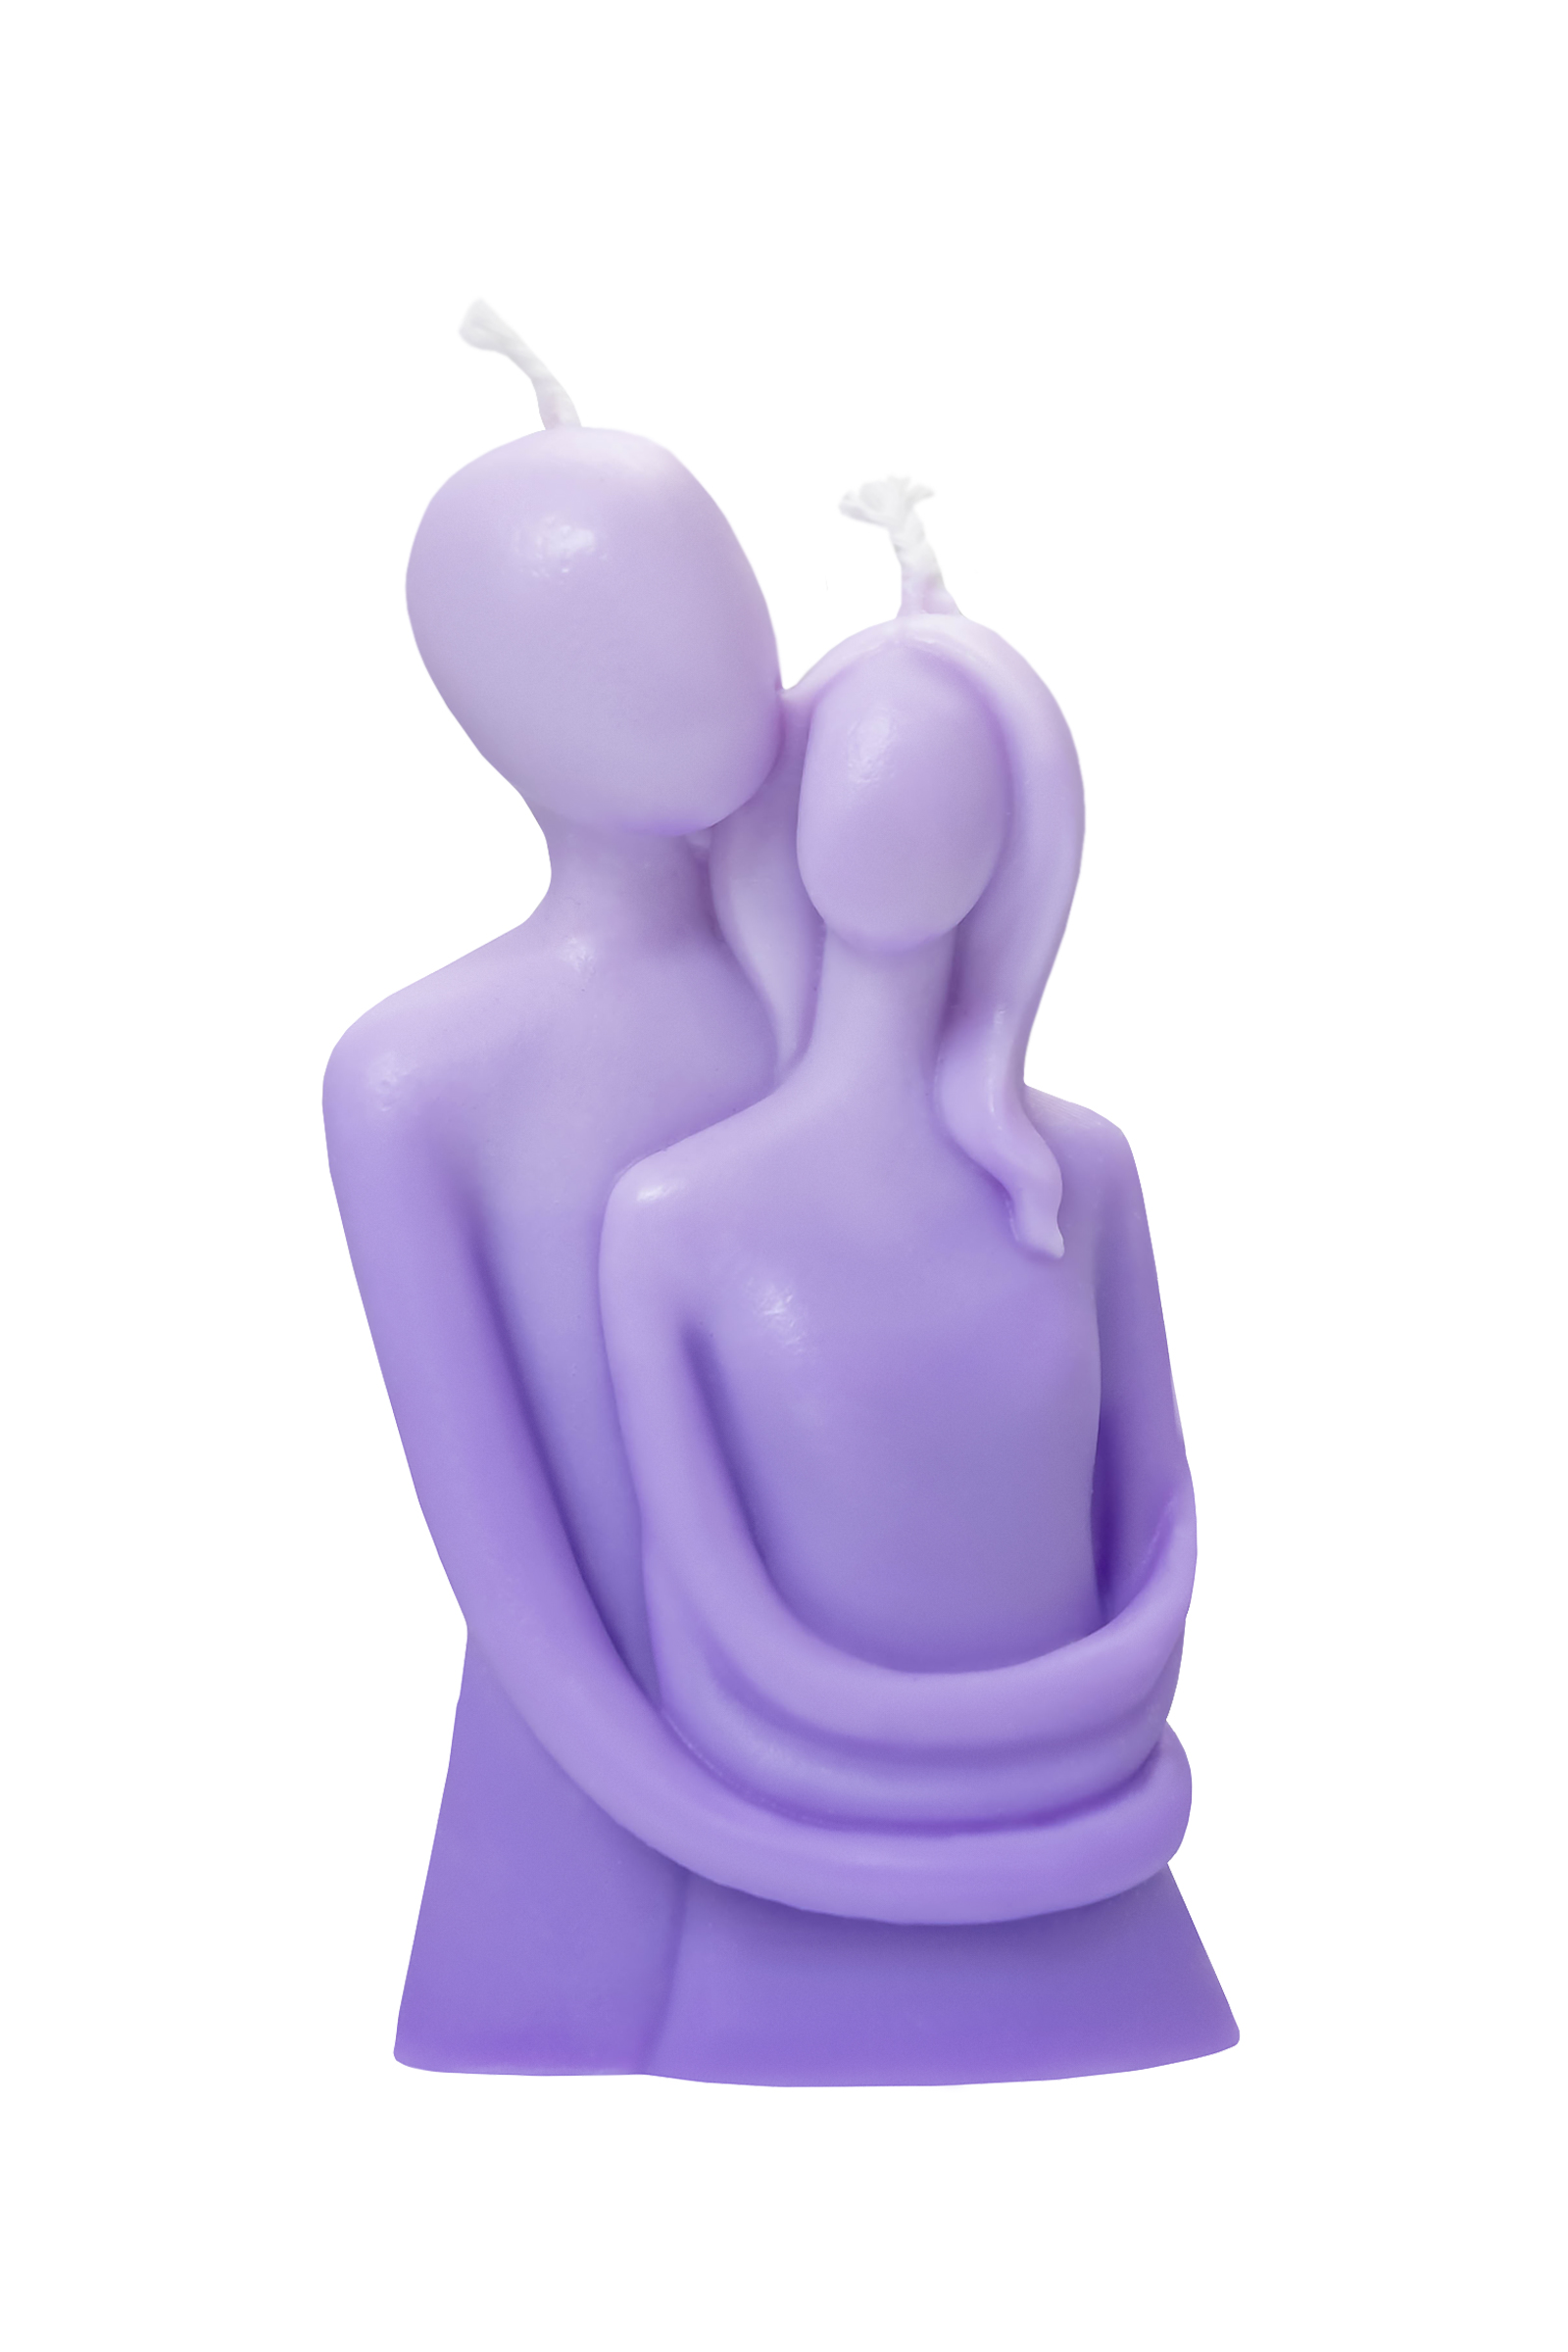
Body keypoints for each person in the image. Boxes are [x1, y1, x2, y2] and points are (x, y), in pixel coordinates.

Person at [598, 491, 1237, 2082]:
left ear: (1017, 842)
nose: (893, 807)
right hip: (781, 1900)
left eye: (945, 777)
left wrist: (1088, 1732)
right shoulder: (673, 1220)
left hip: (1094, 1887)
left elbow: (1160, 1518)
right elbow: (704, 1606)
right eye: (860, 767)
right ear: (793, 813)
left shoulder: (1083, 1179)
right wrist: (918, 1776)